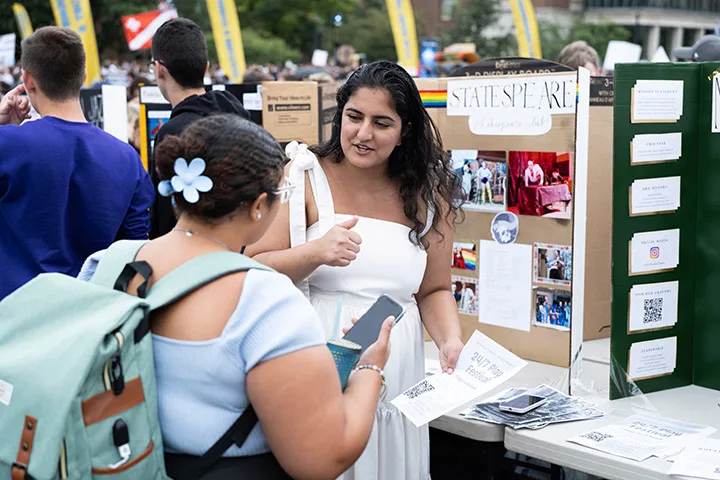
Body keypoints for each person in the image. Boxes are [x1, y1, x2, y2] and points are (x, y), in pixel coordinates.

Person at [79, 115, 393, 480]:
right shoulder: (264, 299)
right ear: (259, 205)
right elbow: (322, 458)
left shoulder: (107, 263)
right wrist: (370, 370)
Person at [247, 61, 465, 480]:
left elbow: (434, 289)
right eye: (354, 117)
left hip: (397, 373)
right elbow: (254, 268)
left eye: (381, 123)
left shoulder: (429, 192)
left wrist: (450, 340)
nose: (363, 134)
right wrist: (313, 252)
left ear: (405, 131)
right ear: (339, 115)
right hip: (319, 364)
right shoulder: (305, 173)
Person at [0, 27, 153, 301]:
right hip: (88, 322)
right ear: (83, 78)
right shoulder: (128, 158)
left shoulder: (7, 144)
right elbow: (134, 251)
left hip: (11, 318)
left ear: (27, 80)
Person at [149, 18, 251, 239]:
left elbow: (166, 218)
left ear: (159, 69)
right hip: (240, 248)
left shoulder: (173, 133)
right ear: (205, 68)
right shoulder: (239, 115)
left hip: (189, 257)